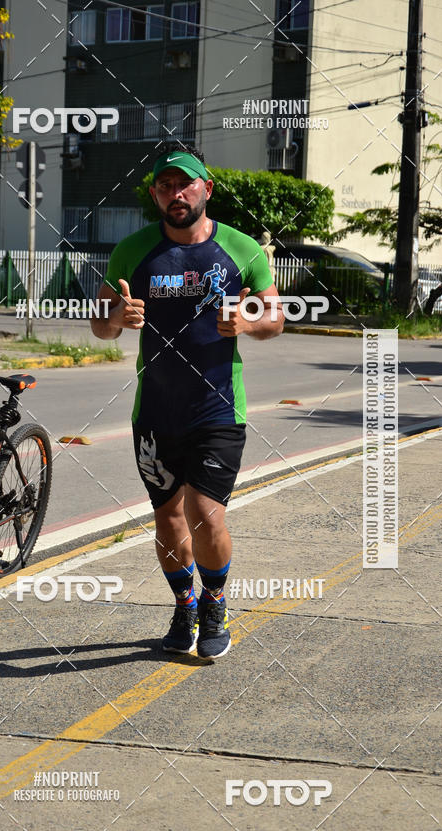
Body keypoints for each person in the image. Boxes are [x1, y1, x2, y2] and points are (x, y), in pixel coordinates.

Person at [92, 143, 284, 660]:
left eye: (184, 184)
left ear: (206, 189)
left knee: (205, 513)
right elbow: (102, 325)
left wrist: (246, 322)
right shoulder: (132, 250)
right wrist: (120, 319)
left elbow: (275, 319)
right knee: (168, 518)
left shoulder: (242, 250)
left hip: (218, 408)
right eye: (164, 186)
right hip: (154, 411)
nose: (175, 194)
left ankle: (216, 603)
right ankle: (185, 604)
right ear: (155, 194)